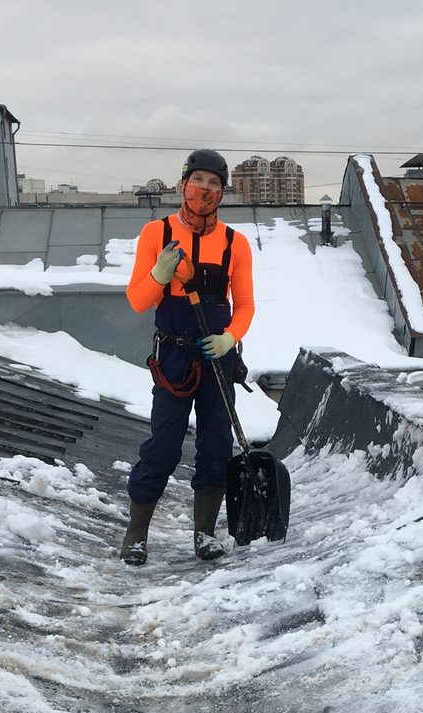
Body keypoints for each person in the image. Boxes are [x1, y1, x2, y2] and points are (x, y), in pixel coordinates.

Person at [119, 148, 255, 565]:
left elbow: (246, 304)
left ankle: (205, 534)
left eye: (215, 184)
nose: (205, 190)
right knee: (163, 445)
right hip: (174, 359)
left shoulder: (235, 243)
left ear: (222, 192)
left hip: (217, 359)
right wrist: (160, 273)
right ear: (183, 184)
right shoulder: (155, 234)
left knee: (216, 445)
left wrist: (230, 337)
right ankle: (137, 534)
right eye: (199, 181)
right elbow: (137, 301)